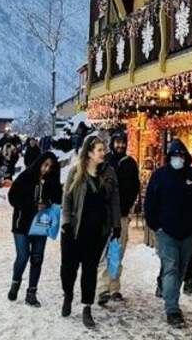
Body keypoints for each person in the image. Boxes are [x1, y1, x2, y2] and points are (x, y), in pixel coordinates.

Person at [144, 139, 192, 328]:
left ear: (185, 157)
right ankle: (172, 309)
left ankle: (169, 293)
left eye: (180, 155)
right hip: (166, 233)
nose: (177, 159)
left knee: (180, 269)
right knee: (171, 267)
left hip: (187, 234)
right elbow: (149, 203)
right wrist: (156, 226)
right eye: (174, 155)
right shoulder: (159, 176)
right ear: (169, 157)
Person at [60, 135, 120, 329]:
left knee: (89, 270)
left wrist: (116, 224)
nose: (104, 153)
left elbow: (114, 200)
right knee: (69, 269)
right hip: (75, 230)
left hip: (97, 232)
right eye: (100, 150)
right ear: (90, 152)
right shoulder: (75, 172)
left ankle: (87, 307)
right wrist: (67, 223)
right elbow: (66, 200)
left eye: (104, 149)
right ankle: (68, 295)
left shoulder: (109, 172)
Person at [8, 151, 61, 306]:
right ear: (39, 163)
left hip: (40, 224)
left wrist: (49, 202)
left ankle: (31, 292)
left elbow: (58, 199)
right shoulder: (26, 177)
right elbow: (13, 197)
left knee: (37, 258)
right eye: (45, 165)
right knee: (23, 256)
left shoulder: (52, 181)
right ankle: (15, 283)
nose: (46, 169)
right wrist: (31, 206)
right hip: (22, 223)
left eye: (50, 167)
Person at [98, 130, 140, 306]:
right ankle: (102, 288)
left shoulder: (130, 163)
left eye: (123, 142)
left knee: (118, 252)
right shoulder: (104, 161)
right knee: (104, 252)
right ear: (112, 143)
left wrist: (131, 206)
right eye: (117, 142)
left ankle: (115, 287)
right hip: (104, 215)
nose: (120, 145)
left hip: (122, 215)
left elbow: (135, 186)